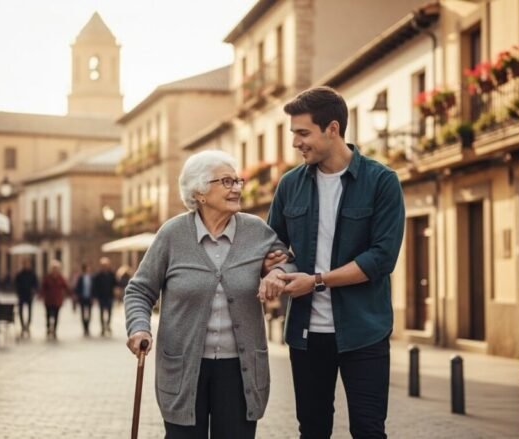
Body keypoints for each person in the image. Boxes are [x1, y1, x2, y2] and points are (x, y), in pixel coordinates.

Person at [265, 86, 405, 438]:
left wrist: (315, 281)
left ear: (332, 129)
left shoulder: (381, 182)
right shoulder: (289, 185)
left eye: (302, 133)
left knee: (368, 430)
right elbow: (274, 244)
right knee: (311, 430)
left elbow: (381, 258)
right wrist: (279, 269)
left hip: (365, 331)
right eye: (293, 133)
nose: (296, 142)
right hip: (306, 334)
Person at [124, 150, 293, 438]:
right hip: (184, 368)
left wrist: (277, 273)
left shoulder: (256, 231)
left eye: (237, 180)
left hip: (239, 371)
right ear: (200, 192)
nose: (237, 188)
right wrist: (139, 328)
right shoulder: (172, 235)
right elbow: (139, 289)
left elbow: (285, 259)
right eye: (226, 181)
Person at [40, 260, 70, 340]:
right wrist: (41, 296)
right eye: (54, 268)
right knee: (48, 316)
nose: (55, 270)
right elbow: (43, 288)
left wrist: (70, 294)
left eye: (56, 268)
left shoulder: (60, 278)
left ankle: (54, 330)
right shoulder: (48, 278)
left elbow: (66, 287)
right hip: (49, 300)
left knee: (56, 316)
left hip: (57, 300)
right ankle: (48, 329)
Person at [92, 257, 116, 336]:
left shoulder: (111, 274)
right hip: (101, 296)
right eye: (103, 265)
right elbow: (95, 286)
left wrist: (116, 291)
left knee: (109, 312)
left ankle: (108, 325)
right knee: (102, 312)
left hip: (109, 296)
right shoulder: (98, 275)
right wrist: (95, 297)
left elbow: (115, 283)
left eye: (106, 265)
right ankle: (102, 327)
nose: (105, 266)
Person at [14, 260, 38, 337]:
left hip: (29, 295)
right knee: (20, 311)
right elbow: (16, 284)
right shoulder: (20, 274)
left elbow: (36, 284)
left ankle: (28, 325)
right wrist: (18, 292)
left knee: (30, 311)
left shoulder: (32, 274)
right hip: (21, 295)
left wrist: (34, 291)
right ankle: (22, 325)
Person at [74, 263, 94, 336]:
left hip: (89, 298)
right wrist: (77, 296)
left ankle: (88, 327)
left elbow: (94, 288)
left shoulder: (91, 277)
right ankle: (84, 328)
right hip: (82, 298)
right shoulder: (80, 278)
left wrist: (93, 297)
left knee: (89, 313)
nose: (89, 269)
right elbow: (77, 288)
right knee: (83, 313)